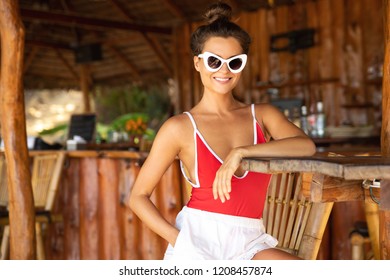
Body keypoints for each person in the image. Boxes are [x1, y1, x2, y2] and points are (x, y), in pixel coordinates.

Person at [129, 2, 316, 260]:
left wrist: (241, 153)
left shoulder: (261, 115)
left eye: (234, 62)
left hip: (250, 242)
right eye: (214, 61)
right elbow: (138, 196)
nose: (224, 70)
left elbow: (306, 146)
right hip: (197, 241)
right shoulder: (179, 128)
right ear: (197, 63)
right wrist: (180, 241)